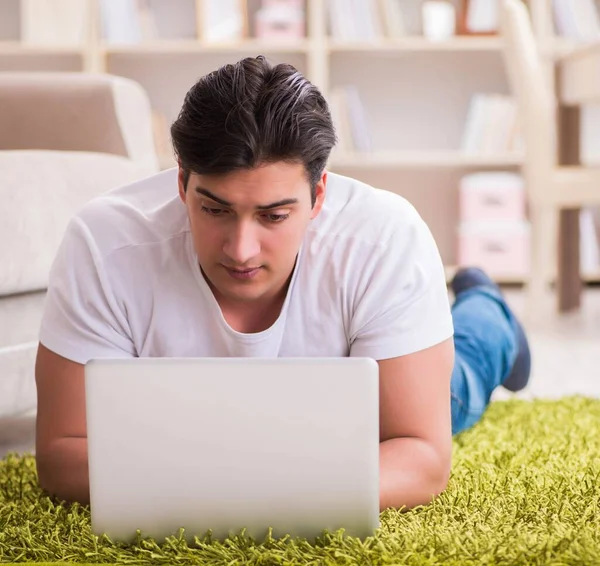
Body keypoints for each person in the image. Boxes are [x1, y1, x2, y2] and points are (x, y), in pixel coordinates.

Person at [34, 56, 530, 510]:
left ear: (318, 196)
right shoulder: (104, 244)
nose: (240, 249)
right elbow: (62, 453)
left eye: (272, 215)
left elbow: (420, 455)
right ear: (181, 182)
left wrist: (233, 487)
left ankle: (488, 310)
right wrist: (254, 484)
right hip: (303, 454)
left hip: (368, 413)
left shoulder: (383, 239)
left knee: (456, 390)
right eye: (214, 209)